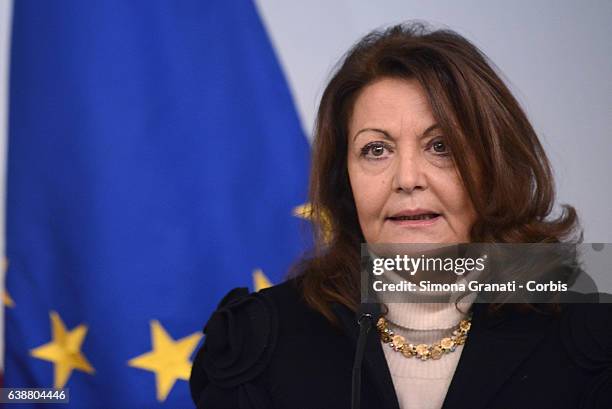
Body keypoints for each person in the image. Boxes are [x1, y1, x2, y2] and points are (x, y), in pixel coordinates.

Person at [189, 23, 612, 409]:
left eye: (440, 146)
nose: (407, 179)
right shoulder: (261, 340)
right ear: (344, 179)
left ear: (493, 164)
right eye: (376, 150)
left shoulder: (592, 316)